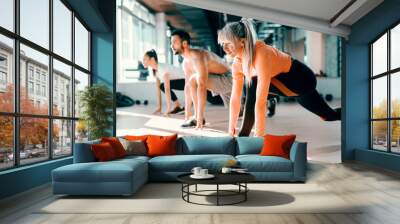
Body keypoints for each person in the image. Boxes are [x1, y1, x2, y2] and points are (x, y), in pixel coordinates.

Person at [218, 18, 341, 137]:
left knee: (252, 85)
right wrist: (231, 129)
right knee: (329, 116)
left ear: (242, 42)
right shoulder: (237, 64)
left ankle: (243, 137)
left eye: (228, 44)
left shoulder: (261, 54)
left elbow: (259, 102)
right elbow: (235, 98)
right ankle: (243, 136)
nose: (224, 48)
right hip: (285, 87)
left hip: (301, 79)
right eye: (222, 44)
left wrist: (258, 137)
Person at [170, 29, 233, 128]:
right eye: (171, 42)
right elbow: (187, 87)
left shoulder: (198, 56)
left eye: (174, 42)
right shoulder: (185, 62)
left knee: (194, 79)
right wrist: (187, 113)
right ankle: (196, 117)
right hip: (217, 78)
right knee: (191, 81)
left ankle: (198, 118)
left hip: (229, 78)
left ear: (185, 43)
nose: (171, 45)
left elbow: (202, 86)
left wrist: (199, 116)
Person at [142, 49, 185, 116]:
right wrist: (159, 107)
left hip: (186, 80)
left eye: (145, 59)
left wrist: (168, 109)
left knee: (163, 86)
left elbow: (167, 89)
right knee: (161, 86)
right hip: (181, 81)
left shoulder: (162, 69)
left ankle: (177, 105)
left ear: (152, 59)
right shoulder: (155, 70)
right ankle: (178, 106)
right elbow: (158, 89)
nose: (143, 61)